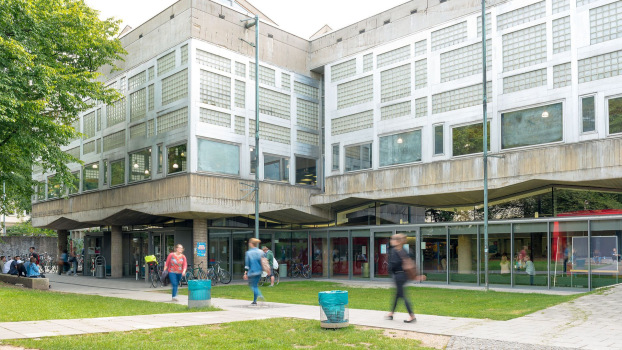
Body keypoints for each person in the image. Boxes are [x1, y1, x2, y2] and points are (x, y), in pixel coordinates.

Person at [385, 234, 416, 323]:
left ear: (397, 241)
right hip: (404, 275)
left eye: (392, 239)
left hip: (399, 276)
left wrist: (390, 269)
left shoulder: (394, 251)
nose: (391, 241)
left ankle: (411, 315)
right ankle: (391, 313)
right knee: (397, 295)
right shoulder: (404, 250)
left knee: (402, 295)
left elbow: (393, 264)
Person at [244, 238, 264, 305]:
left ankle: (260, 295)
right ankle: (255, 301)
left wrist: (245, 273)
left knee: (252, 286)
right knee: (255, 285)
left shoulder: (248, 253)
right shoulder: (261, 252)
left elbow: (247, 264)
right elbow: (263, 261)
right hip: (259, 271)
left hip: (252, 271)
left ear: (251, 244)